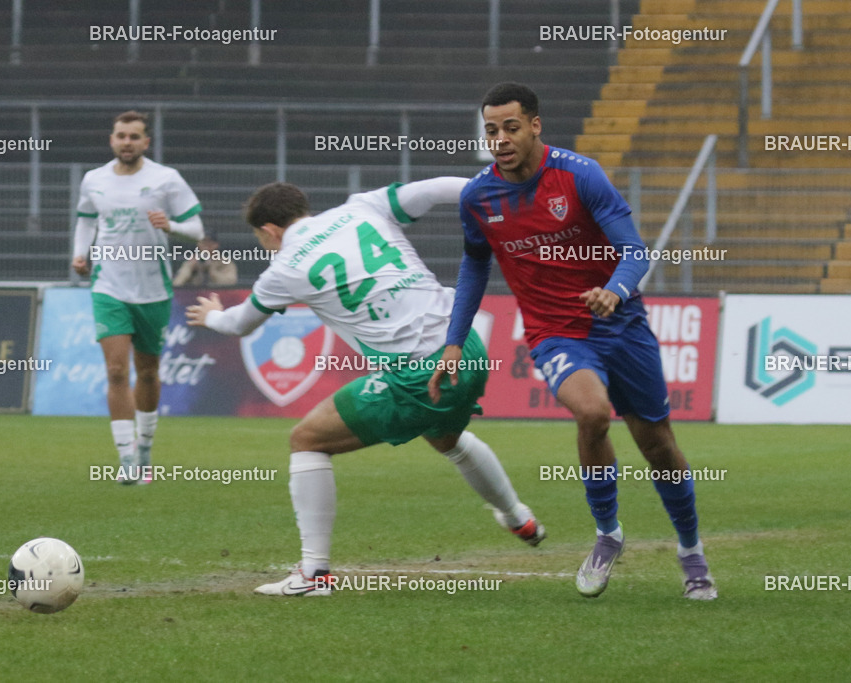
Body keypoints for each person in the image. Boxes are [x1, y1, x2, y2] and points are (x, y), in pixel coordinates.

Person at [186, 179, 544, 596]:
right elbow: (436, 189)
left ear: (270, 231)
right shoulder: (361, 207)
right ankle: (518, 516)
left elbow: (238, 324)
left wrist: (212, 314)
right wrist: (502, 193)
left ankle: (313, 575)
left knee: (306, 440)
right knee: (446, 437)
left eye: (261, 239)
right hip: (467, 345)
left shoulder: (284, 268)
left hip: (419, 375)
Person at [429, 82, 716, 600]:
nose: (501, 138)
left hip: (621, 325)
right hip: (555, 333)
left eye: (511, 127)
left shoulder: (580, 176)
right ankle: (608, 533)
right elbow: (475, 263)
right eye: (491, 130)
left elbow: (635, 251)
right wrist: (455, 339)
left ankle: (690, 549)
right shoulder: (478, 197)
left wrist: (614, 291)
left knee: (659, 447)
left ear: (535, 125)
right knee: (591, 412)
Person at [71, 110, 205, 484]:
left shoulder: (166, 179)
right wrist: (80, 253)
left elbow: (196, 229)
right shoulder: (93, 180)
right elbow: (85, 221)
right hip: (108, 285)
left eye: (134, 137)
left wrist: (172, 226)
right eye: (120, 136)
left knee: (147, 372)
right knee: (116, 371)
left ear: (146, 142)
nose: (126, 142)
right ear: (111, 139)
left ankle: (145, 448)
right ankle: (126, 457)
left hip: (152, 290)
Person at [172, 234, 239, 287]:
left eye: (210, 243)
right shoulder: (192, 261)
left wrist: (211, 270)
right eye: (203, 243)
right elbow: (177, 283)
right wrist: (190, 268)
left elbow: (231, 283)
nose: (206, 247)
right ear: (198, 244)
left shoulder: (225, 262)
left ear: (216, 245)